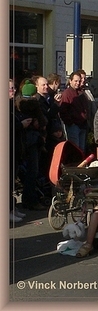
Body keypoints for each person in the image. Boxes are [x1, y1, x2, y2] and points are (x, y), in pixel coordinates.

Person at [14, 81, 48, 211]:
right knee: (32, 172)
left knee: (27, 172)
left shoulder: (17, 104)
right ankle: (31, 200)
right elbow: (43, 121)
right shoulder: (34, 105)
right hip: (33, 141)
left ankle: (27, 200)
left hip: (24, 142)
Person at [9, 79, 27, 222]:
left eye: (14, 88)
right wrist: (20, 125)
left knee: (11, 181)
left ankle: (12, 209)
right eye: (10, 89)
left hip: (15, 147)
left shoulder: (12, 106)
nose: (13, 91)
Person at [59, 72, 88, 151]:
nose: (77, 83)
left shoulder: (81, 93)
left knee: (81, 149)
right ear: (70, 81)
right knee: (75, 149)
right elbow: (63, 110)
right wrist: (70, 123)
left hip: (82, 125)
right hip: (73, 126)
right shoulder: (67, 93)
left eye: (79, 81)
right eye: (75, 81)